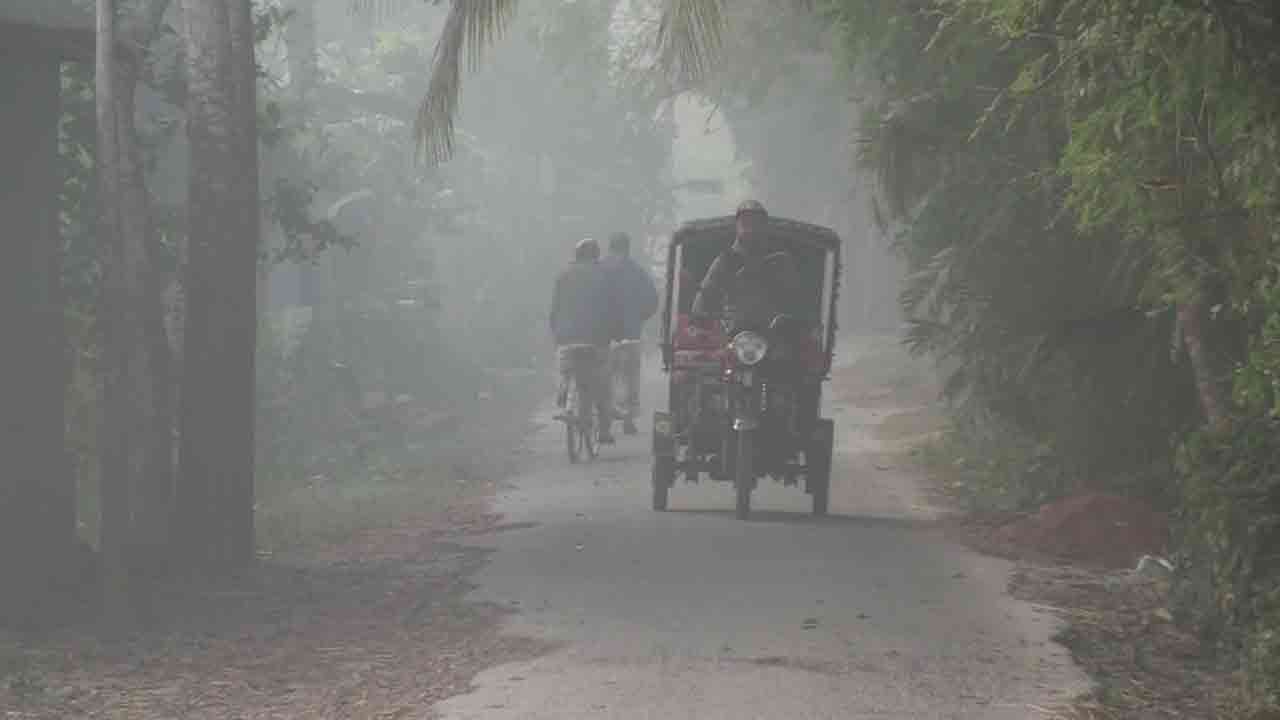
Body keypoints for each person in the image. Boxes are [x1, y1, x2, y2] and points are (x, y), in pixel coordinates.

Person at [550, 238, 618, 444]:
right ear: (596, 256)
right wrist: (615, 332)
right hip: (597, 340)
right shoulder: (605, 276)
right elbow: (612, 309)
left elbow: (555, 310)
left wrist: (557, 334)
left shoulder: (562, 276)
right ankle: (604, 429)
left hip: (566, 338)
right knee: (603, 382)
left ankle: (564, 400)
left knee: (565, 370)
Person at [691, 199, 799, 330]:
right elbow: (703, 297)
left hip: (772, 330)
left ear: (764, 226)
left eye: (756, 222)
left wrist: (788, 321)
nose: (751, 227)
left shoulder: (780, 260)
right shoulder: (725, 260)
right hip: (733, 332)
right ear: (737, 225)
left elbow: (794, 300)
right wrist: (705, 321)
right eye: (745, 222)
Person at [602, 231, 659, 435]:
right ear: (627, 248)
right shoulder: (636, 271)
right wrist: (639, 317)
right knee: (630, 377)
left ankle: (604, 422)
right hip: (630, 334)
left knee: (605, 377)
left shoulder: (599, 269)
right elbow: (652, 299)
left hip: (604, 334)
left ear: (610, 247)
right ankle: (628, 418)